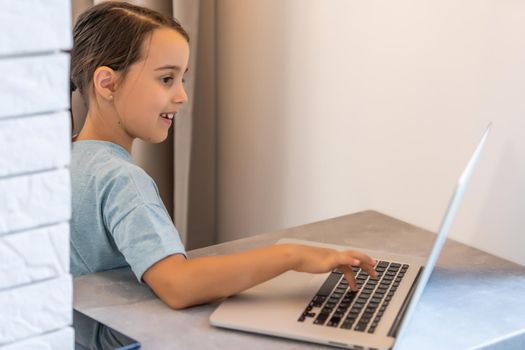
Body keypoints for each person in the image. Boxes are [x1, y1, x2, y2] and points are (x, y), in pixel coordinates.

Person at [70, 1, 377, 310]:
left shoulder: (65, 160)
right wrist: (292, 255)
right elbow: (179, 285)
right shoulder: (122, 179)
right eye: (166, 79)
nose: (182, 96)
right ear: (107, 83)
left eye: (182, 79)